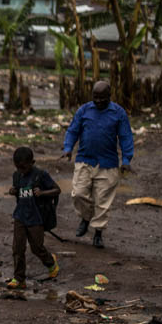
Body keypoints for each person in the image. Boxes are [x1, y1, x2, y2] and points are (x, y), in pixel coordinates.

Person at [61, 80, 135, 249]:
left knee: (103, 201)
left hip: (108, 164)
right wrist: (68, 148)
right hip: (84, 160)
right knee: (78, 193)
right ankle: (86, 218)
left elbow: (126, 137)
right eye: (96, 97)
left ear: (110, 95)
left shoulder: (118, 113)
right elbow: (73, 130)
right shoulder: (84, 110)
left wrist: (126, 160)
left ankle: (98, 233)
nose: (99, 101)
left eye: (103, 98)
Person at [5, 146, 60, 288]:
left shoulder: (40, 175)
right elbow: (18, 192)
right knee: (17, 249)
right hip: (20, 216)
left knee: (36, 247)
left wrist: (43, 193)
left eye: (23, 167)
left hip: (36, 218)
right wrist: (13, 191)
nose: (21, 171)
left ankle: (50, 262)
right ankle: (19, 279)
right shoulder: (17, 175)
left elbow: (57, 190)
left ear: (32, 163)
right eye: (18, 167)